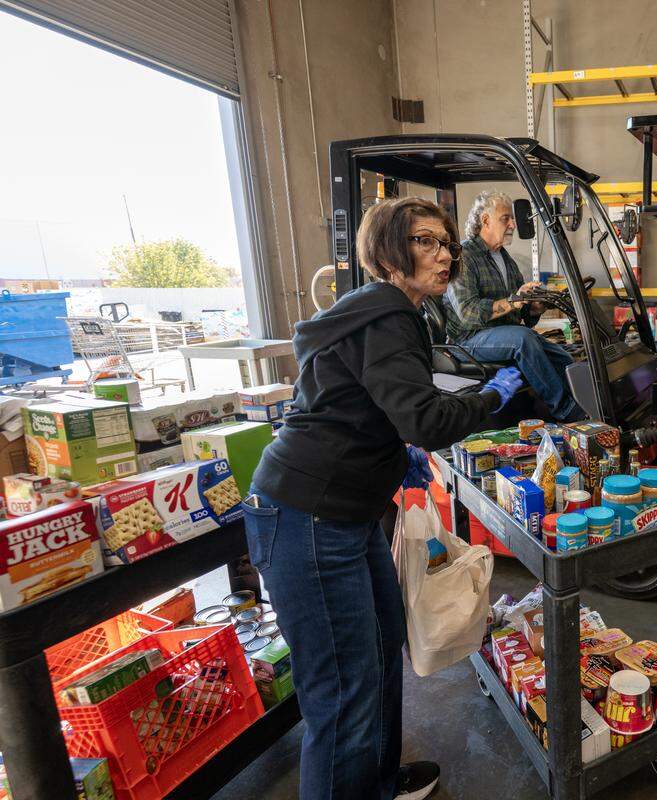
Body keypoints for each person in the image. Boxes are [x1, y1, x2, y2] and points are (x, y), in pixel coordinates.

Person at [243, 197, 524, 800]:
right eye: (426, 241)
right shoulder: (389, 314)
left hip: (347, 512)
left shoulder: (394, 314)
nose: (444, 254)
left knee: (375, 654)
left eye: (446, 242)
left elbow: (360, 407)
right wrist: (491, 399)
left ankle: (375, 783)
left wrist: (398, 457)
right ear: (389, 252)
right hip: (307, 517)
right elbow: (422, 416)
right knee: (341, 693)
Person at [444, 190, 584, 421]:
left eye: (512, 219)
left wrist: (534, 307)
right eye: (505, 218)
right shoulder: (464, 255)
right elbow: (468, 313)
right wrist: (514, 300)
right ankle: (566, 411)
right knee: (523, 340)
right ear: (485, 220)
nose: (512, 225)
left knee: (561, 355)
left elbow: (522, 316)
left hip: (504, 335)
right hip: (469, 340)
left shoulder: (505, 258)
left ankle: (587, 401)